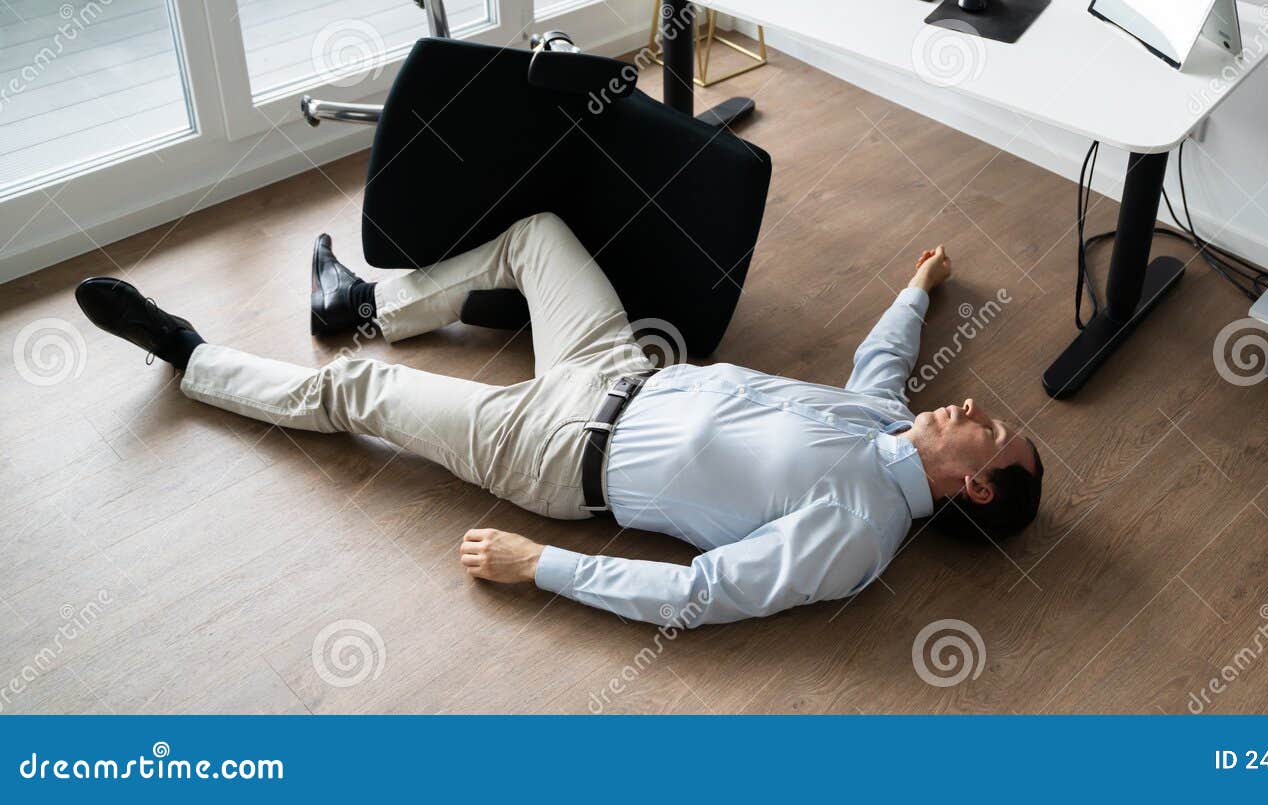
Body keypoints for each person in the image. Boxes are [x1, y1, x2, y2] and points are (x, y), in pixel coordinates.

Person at [75, 213, 1043, 626]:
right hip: (615, 363)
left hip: (551, 452)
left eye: (985, 429)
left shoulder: (856, 536)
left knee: (355, 395)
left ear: (975, 483)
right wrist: (920, 286)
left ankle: (189, 356)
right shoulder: (885, 416)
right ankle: (364, 302)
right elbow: (885, 359)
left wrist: (542, 566)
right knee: (540, 234)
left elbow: (700, 593)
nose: (968, 407)